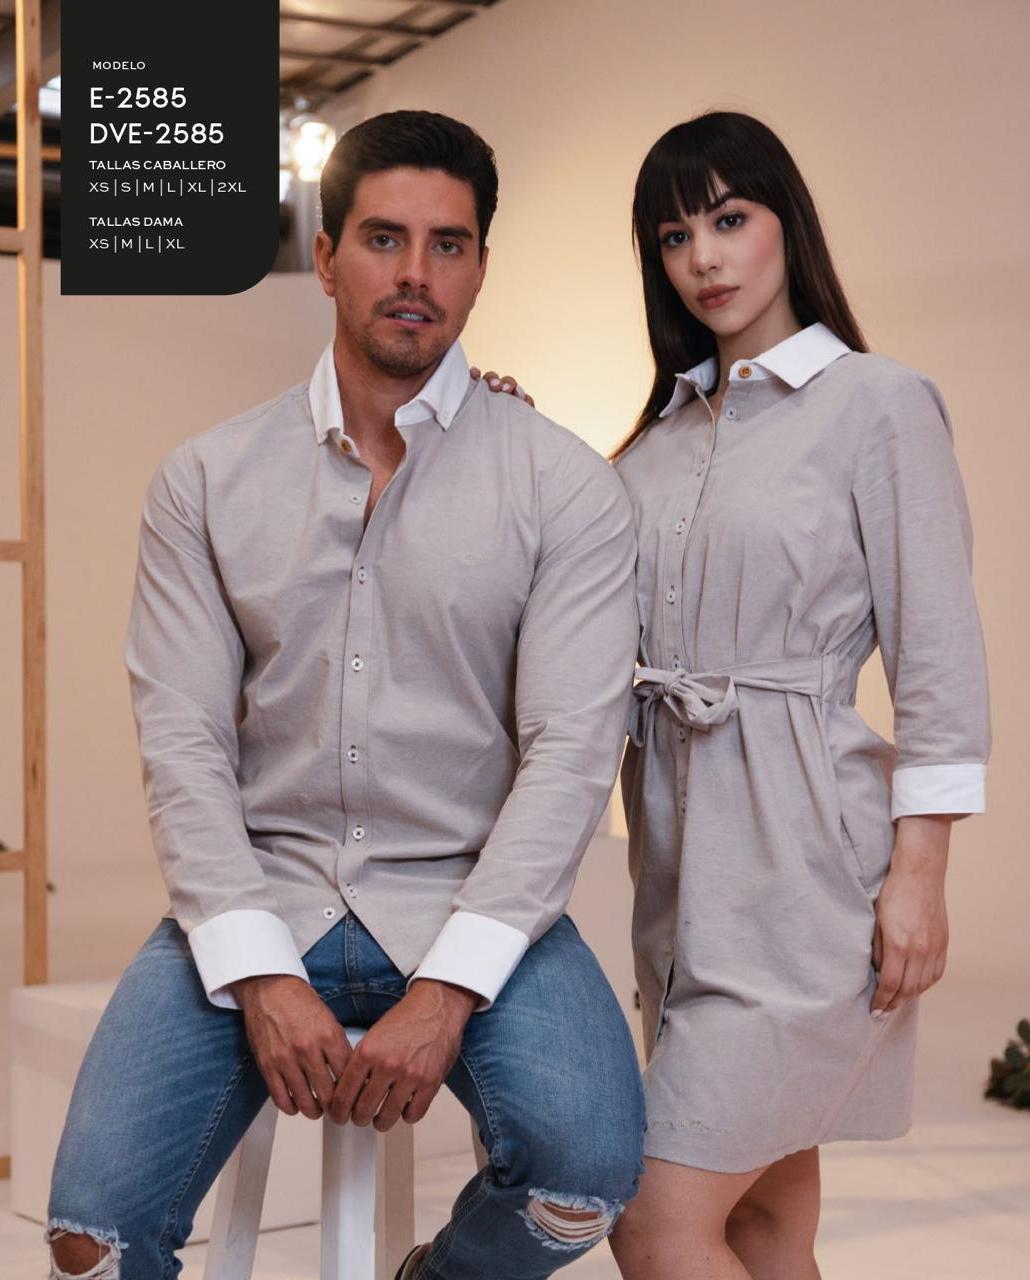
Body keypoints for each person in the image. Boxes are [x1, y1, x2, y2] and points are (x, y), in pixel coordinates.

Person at [45, 110, 645, 1280]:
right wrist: (258, 968)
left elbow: (570, 755)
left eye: (447, 244)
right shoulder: (206, 479)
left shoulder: (564, 487)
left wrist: (451, 987)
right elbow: (183, 741)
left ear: (479, 267)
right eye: (383, 238)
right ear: (325, 257)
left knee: (580, 1178)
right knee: (90, 1242)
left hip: (473, 892)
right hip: (261, 885)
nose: (415, 273)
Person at [480, 110, 990, 1280]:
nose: (703, 257)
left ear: (783, 223)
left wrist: (920, 874)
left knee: (653, 1213)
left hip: (812, 872)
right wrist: (506, 444)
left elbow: (938, 658)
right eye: (674, 236)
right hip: (679, 874)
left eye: (728, 218)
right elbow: (567, 614)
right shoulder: (649, 446)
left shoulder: (878, 403)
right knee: (760, 1225)